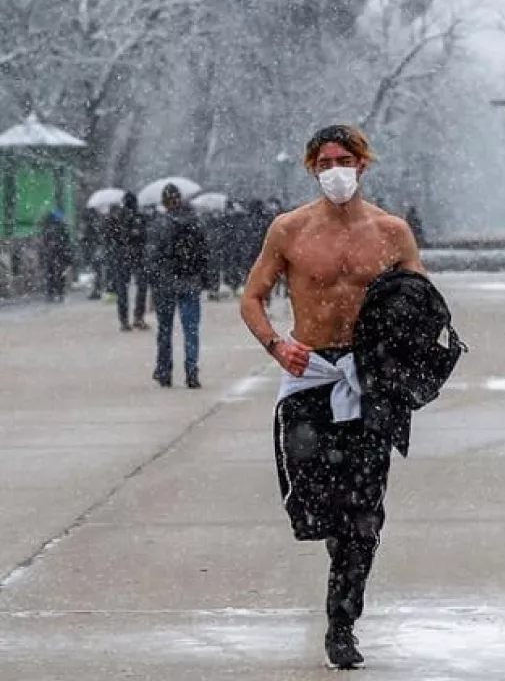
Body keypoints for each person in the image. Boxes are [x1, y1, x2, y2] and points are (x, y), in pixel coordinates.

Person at [239, 124, 426, 671]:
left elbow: (421, 300)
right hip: (311, 375)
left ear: (363, 165)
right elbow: (251, 297)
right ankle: (340, 551)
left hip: (369, 380)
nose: (334, 170)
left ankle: (342, 620)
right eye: (324, 162)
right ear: (311, 168)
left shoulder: (391, 232)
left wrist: (405, 355)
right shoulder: (289, 229)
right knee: (316, 505)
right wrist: (277, 345)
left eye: (344, 159)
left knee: (363, 511)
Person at [149, 184, 210, 388]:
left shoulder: (160, 224)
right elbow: (205, 254)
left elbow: (153, 256)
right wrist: (207, 280)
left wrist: (153, 280)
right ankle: (191, 371)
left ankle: (164, 370)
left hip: (166, 283)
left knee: (164, 330)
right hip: (190, 281)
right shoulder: (196, 222)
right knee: (191, 330)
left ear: (165, 202)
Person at [105, 192, 150, 331]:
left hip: (121, 256)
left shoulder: (116, 218)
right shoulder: (140, 217)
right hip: (138, 255)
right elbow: (147, 236)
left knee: (122, 289)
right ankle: (138, 317)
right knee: (141, 287)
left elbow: (108, 237)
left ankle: (124, 320)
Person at [38, 211, 73, 302]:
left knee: (50, 274)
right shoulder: (63, 227)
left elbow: (44, 242)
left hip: (51, 254)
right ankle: (60, 293)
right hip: (60, 254)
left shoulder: (47, 228)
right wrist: (68, 257)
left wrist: (44, 254)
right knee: (60, 274)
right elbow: (67, 242)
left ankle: (51, 293)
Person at [81, 209, 105, 300]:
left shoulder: (90, 226)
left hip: (94, 251)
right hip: (96, 251)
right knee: (97, 272)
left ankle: (97, 290)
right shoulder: (97, 224)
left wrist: (84, 239)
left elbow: (88, 239)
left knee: (96, 272)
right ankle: (97, 290)